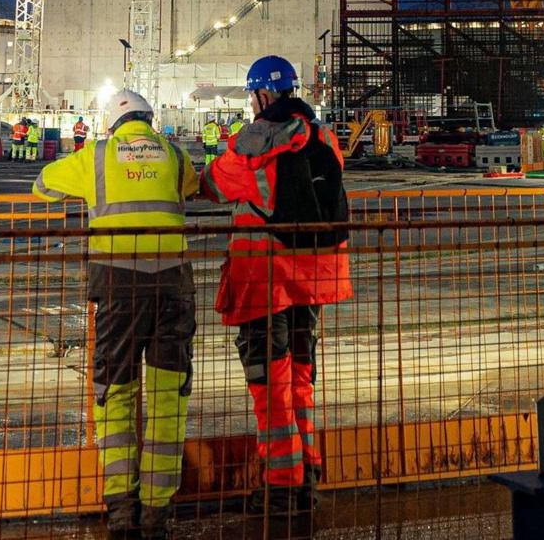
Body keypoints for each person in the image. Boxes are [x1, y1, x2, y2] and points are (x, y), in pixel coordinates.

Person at [33, 88, 197, 538]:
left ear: (111, 123)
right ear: (150, 117)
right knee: (168, 399)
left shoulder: (97, 156)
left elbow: (43, 183)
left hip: (117, 285)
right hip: (173, 285)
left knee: (115, 392)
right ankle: (158, 513)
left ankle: (122, 510)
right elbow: (192, 186)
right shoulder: (175, 153)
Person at [206, 57, 349, 533]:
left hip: (265, 280)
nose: (251, 104)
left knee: (270, 384)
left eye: (252, 96)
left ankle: (283, 484)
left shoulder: (251, 144)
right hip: (314, 275)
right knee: (302, 376)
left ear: (263, 96)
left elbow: (213, 185)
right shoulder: (325, 136)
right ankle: (307, 469)